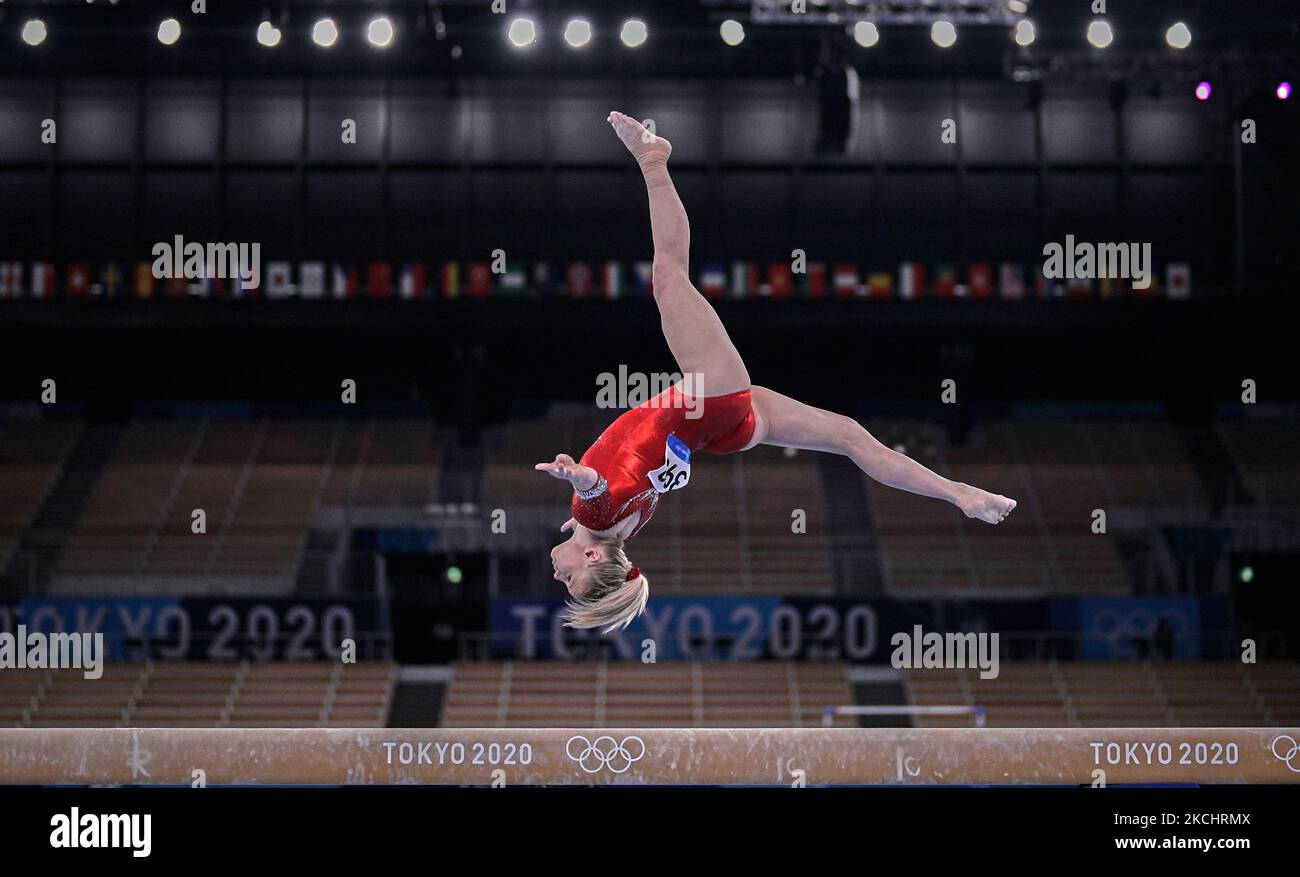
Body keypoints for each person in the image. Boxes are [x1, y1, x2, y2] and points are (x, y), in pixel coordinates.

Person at [537, 112, 1016, 633]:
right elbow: (597, 490)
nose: (557, 574)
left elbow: (615, 498)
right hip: (710, 398)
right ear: (592, 561)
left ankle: (959, 494)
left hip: (724, 433)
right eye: (569, 581)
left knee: (851, 438)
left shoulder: (621, 530)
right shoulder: (595, 518)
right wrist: (576, 477)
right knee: (669, 277)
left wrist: (592, 518)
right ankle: (653, 161)